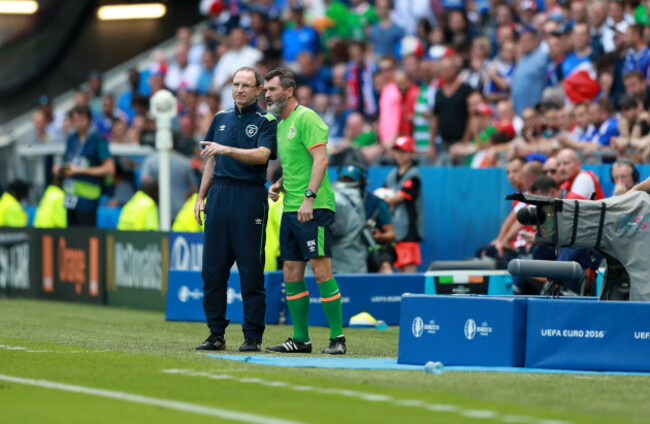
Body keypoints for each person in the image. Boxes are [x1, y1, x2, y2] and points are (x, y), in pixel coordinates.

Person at [194, 67, 277, 353]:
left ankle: (252, 336)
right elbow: (210, 160)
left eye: (246, 85)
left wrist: (226, 149)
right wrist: (200, 196)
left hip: (249, 196)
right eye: (236, 84)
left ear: (258, 90)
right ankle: (216, 332)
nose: (240, 89)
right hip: (218, 195)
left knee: (251, 270)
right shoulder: (220, 118)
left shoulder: (266, 121)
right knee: (212, 271)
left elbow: (262, 155)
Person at [264, 67, 346, 355]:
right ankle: (301, 339)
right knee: (290, 271)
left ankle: (338, 339)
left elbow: (321, 160)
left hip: (314, 207)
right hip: (291, 207)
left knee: (321, 270)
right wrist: (279, 183)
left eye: (272, 89)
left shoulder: (307, 117)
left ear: (289, 91)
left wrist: (309, 198)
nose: (267, 94)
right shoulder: (281, 124)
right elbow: (300, 164)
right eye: (266, 89)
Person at [56, 105, 115, 227]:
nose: (78, 124)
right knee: (71, 240)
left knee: (86, 239)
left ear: (89, 120)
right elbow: (69, 163)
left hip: (87, 200)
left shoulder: (98, 139)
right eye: (75, 120)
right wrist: (60, 169)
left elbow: (109, 169)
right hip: (70, 198)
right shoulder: (72, 139)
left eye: (82, 120)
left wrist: (81, 171)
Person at [380, 136, 424, 273]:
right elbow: (383, 191)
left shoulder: (413, 175)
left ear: (412, 153)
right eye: (397, 151)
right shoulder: (392, 174)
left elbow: (399, 197)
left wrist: (381, 201)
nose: (399, 155)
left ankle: (412, 293)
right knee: (399, 264)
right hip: (394, 228)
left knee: (409, 264)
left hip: (408, 228)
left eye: (403, 151)